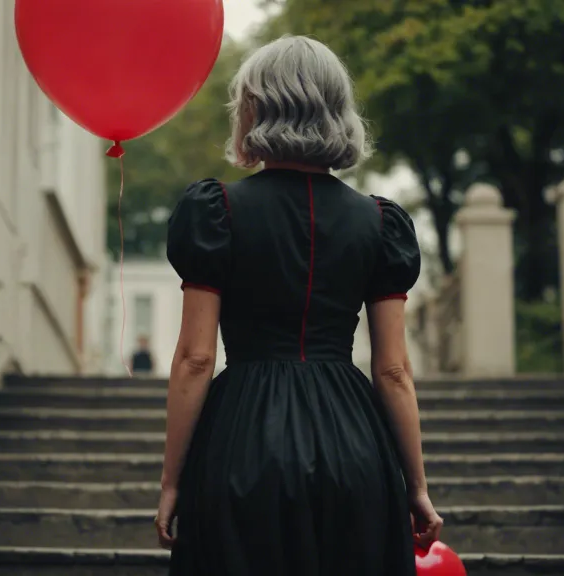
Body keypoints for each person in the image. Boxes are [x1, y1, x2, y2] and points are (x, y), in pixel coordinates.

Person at [155, 35, 443, 575]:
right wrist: (417, 486)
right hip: (354, 442)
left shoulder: (216, 212)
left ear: (255, 107)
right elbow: (394, 370)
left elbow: (195, 359)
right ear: (338, 112)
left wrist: (172, 482)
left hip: (243, 438)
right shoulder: (382, 223)